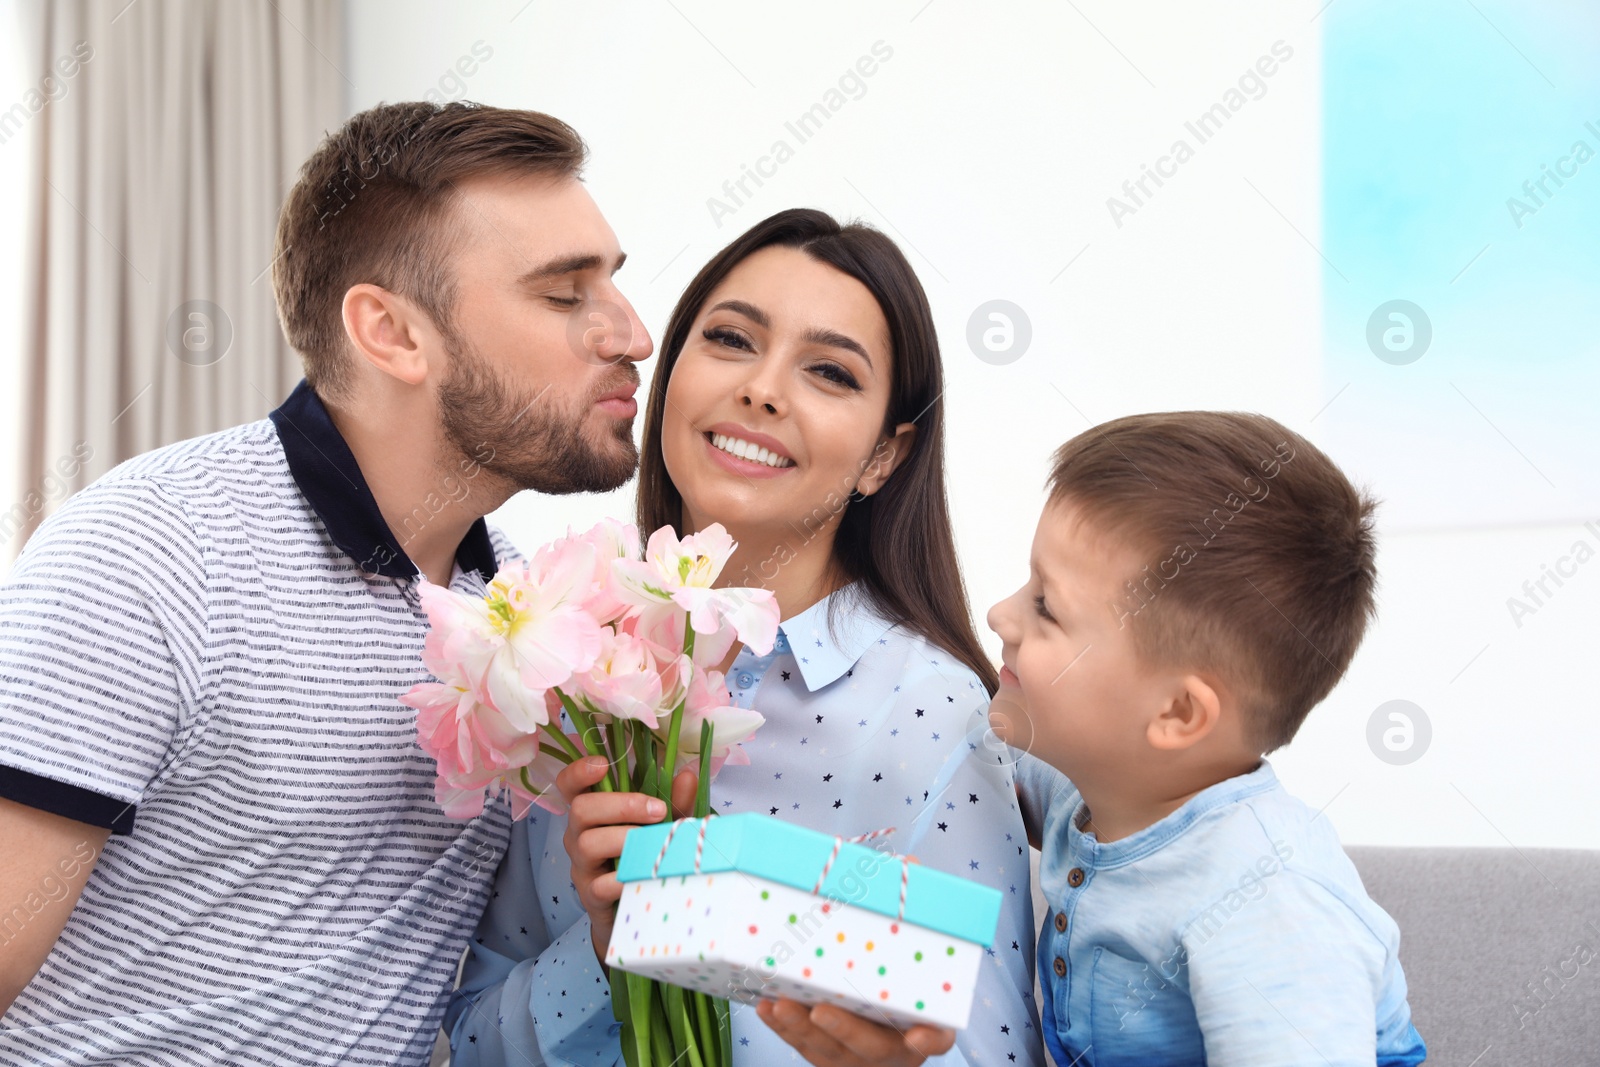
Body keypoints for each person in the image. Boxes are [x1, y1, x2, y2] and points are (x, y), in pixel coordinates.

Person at [0, 101, 653, 1064]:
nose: (633, 336)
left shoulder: (519, 604)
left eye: (613, 286)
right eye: (565, 296)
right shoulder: (156, 551)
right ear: (390, 332)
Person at [448, 209, 1045, 1067]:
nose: (763, 389)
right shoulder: (571, 672)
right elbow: (469, 1044)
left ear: (885, 455)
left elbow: (993, 1053)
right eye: (730, 339)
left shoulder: (935, 716)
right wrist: (613, 939)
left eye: (830, 372)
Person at [988, 412, 1428, 1066]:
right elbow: (980, 756)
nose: (1000, 612)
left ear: (1176, 713)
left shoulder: (1268, 901)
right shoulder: (1099, 786)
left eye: (1046, 606)